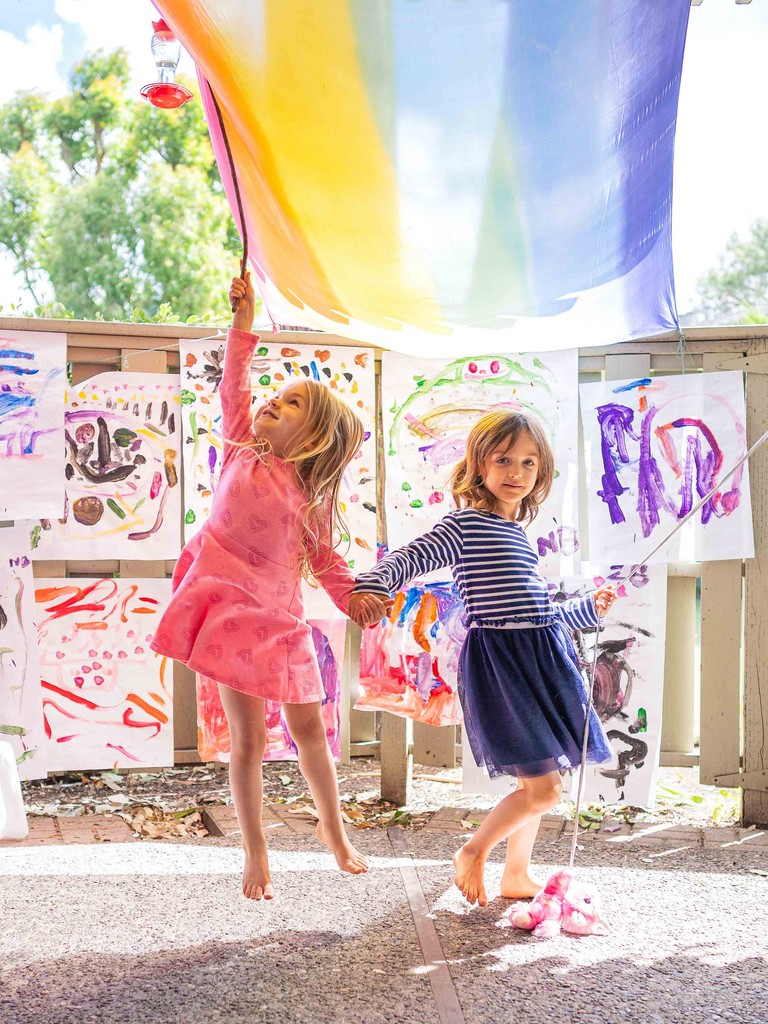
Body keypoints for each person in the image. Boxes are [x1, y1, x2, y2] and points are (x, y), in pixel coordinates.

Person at [151, 273, 388, 900]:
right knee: (248, 741)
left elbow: (330, 563)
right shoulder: (238, 451)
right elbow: (235, 382)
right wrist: (244, 322)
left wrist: (356, 599)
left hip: (281, 625)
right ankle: (255, 851)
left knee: (311, 731)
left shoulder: (308, 496)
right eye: (274, 398)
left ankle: (334, 830)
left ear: (310, 439)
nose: (268, 405)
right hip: (227, 616)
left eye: (288, 407)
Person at [349, 410, 617, 908]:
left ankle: (516, 874)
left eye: (529, 463)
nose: (516, 472)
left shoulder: (517, 534)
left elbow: (537, 611)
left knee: (537, 778)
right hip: (503, 667)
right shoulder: (466, 524)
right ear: (479, 466)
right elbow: (411, 557)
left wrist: (586, 608)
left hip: (539, 659)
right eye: (504, 460)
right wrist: (372, 585)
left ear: (542, 473)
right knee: (543, 791)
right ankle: (473, 851)